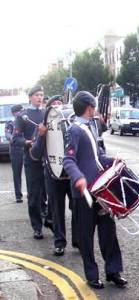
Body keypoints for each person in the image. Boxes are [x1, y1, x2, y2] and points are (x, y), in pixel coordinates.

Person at [63, 91, 126, 289]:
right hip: (84, 193)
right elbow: (68, 160)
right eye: (94, 106)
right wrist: (79, 178)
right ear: (89, 108)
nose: (96, 109)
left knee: (109, 231)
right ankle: (91, 274)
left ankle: (113, 271)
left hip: (100, 189)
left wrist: (111, 160)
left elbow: (97, 156)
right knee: (86, 236)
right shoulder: (74, 129)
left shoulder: (91, 126)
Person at [30, 95, 78, 256]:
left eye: (60, 104)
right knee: (57, 211)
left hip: (71, 173)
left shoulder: (72, 125)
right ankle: (59, 242)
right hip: (52, 175)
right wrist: (41, 135)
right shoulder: (43, 127)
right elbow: (35, 154)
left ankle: (78, 240)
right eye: (54, 105)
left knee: (77, 207)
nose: (57, 107)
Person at [12, 85, 48, 239]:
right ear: (30, 97)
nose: (40, 97)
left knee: (49, 194)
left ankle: (50, 220)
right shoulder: (23, 116)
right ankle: (37, 227)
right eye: (37, 95)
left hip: (48, 161)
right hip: (32, 160)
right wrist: (27, 142)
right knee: (34, 195)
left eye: (41, 95)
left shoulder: (47, 113)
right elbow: (15, 139)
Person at [5, 105, 24, 203]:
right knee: (17, 174)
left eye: (21, 111)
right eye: (18, 111)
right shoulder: (10, 122)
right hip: (15, 150)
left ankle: (31, 194)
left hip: (26, 148)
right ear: (13, 113)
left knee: (30, 173)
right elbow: (7, 133)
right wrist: (11, 137)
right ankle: (18, 195)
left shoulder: (25, 120)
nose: (20, 113)